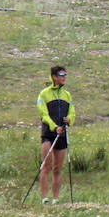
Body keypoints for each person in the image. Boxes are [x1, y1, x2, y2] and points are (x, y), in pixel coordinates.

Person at [36, 65, 73, 204]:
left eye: (65, 75)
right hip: (48, 133)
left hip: (62, 134)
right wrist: (53, 126)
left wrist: (70, 119)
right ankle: (45, 198)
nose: (64, 77)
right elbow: (43, 113)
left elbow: (72, 112)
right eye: (62, 75)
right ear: (54, 77)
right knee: (47, 165)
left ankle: (56, 199)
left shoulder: (67, 95)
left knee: (58, 168)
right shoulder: (44, 94)